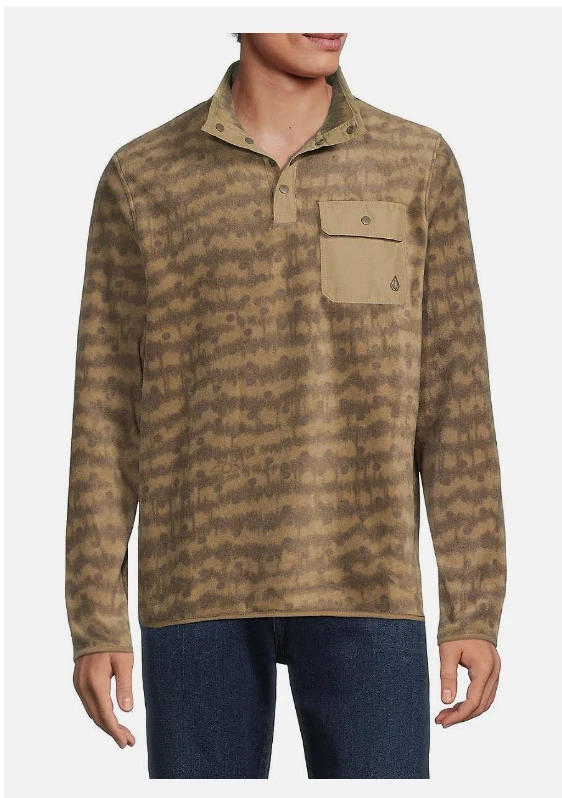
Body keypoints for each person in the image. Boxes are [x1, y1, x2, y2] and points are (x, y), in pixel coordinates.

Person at [65, 32, 507, 779]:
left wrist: (474, 603)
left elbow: (455, 395)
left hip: (369, 582)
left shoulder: (415, 163)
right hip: (195, 589)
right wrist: (95, 617)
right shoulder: (143, 176)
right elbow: (105, 410)